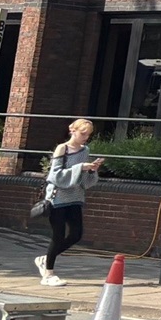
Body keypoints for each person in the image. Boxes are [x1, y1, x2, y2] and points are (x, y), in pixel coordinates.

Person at [35, 118, 101, 287]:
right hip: (58, 198)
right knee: (58, 235)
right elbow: (55, 175)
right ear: (73, 130)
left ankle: (46, 259)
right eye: (83, 133)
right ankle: (48, 274)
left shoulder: (85, 150)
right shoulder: (62, 149)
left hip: (76, 197)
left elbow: (85, 182)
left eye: (88, 135)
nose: (85, 138)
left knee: (76, 234)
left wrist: (92, 171)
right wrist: (81, 168)